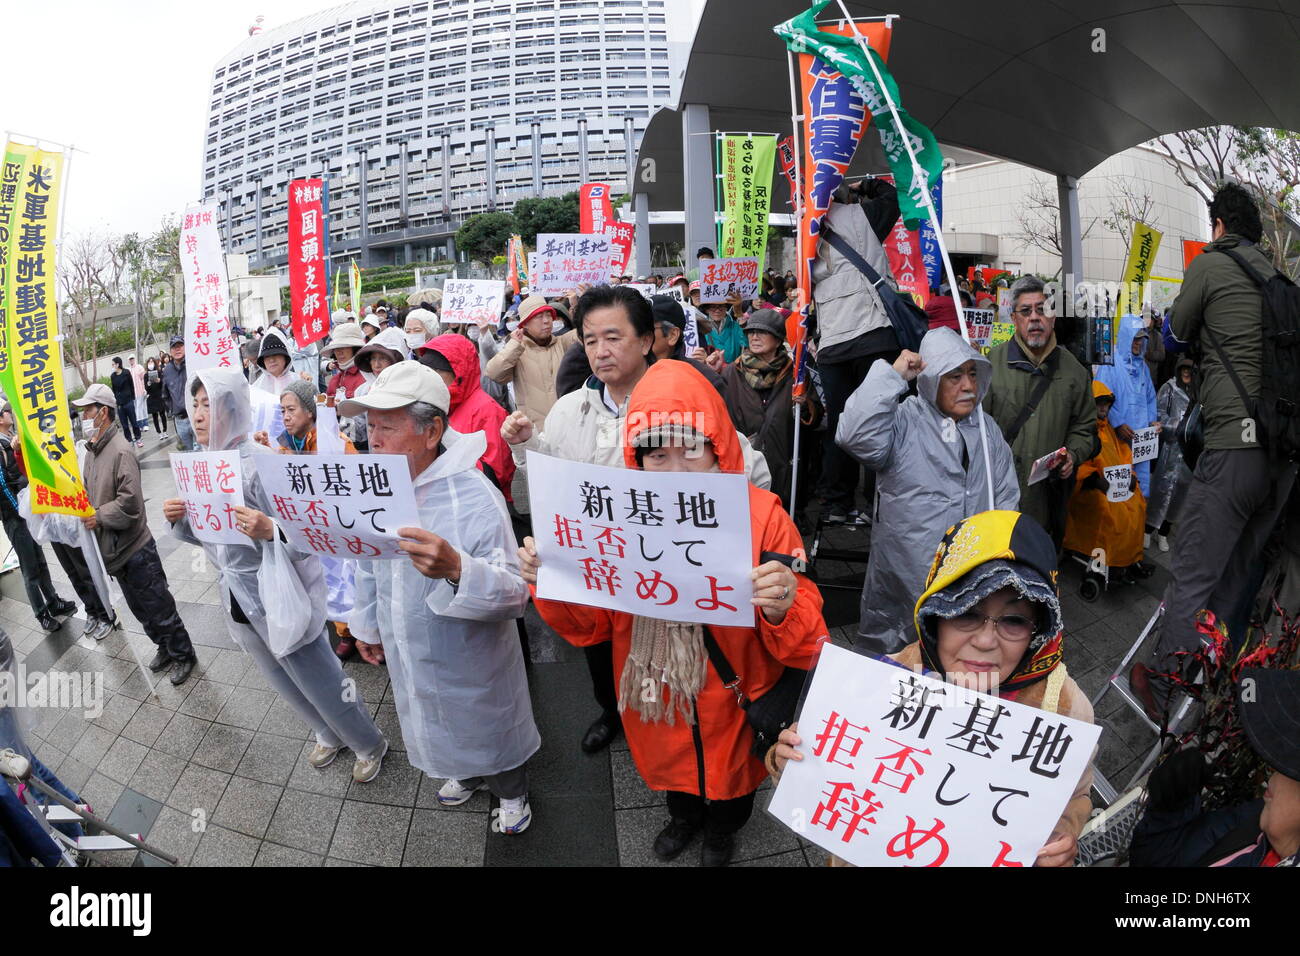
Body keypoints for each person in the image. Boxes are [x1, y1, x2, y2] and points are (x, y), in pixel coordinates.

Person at [521, 360, 828, 865]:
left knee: (732, 783)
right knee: (676, 774)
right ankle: (684, 817)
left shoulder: (763, 514)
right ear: (635, 459)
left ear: (719, 448)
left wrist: (783, 605)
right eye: (657, 455)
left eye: (692, 450)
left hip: (736, 689)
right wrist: (549, 583)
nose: (675, 470)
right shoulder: (617, 519)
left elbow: (806, 638)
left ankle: (723, 831)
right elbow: (592, 626)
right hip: (656, 687)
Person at [502, 285, 772, 755]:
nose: (600, 351)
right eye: (589, 340)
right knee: (601, 652)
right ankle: (614, 713)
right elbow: (557, 482)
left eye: (613, 337)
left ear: (647, 340)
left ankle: (690, 743)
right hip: (603, 569)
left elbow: (749, 473)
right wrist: (527, 445)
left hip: (676, 568)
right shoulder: (570, 410)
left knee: (689, 670)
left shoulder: (684, 397)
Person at [770, 509, 1095, 867]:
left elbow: (1076, 797)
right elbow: (832, 793)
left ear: (1039, 631)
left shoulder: (1063, 708)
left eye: (1015, 620)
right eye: (966, 612)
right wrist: (793, 762)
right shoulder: (879, 682)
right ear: (933, 616)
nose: (986, 640)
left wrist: (1060, 839)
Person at [340, 362, 540, 834]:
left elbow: (515, 594)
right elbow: (368, 563)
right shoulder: (378, 488)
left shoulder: (473, 495)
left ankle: (512, 793)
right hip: (408, 642)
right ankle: (464, 773)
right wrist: (366, 626)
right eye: (369, 427)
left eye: (387, 427)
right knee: (432, 716)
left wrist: (457, 570)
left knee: (486, 723)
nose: (374, 440)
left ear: (431, 431)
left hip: (472, 656)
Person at [163, 367, 389, 782]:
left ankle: (367, 741)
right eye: (194, 404)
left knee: (320, 675)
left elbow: (309, 533)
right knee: (280, 678)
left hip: (282, 594)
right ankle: (326, 732)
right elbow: (215, 544)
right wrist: (179, 521)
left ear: (231, 409)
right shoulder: (200, 466)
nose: (196, 414)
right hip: (238, 600)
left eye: (207, 404)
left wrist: (273, 531)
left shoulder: (263, 462)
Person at [1134, 184, 1300, 716]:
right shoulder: (1280, 280)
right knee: (1236, 578)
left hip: (1232, 450)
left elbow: (1179, 329)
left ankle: (1163, 687)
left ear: (1220, 226)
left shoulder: (1213, 262)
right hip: (1281, 462)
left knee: (1192, 573)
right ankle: (1209, 685)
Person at [836, 328, 1020, 654]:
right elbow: (854, 435)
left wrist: (999, 557)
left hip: (970, 575)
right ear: (932, 379)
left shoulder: (986, 428)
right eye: (954, 376)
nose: (968, 385)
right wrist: (892, 377)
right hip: (903, 574)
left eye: (972, 373)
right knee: (892, 658)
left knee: (953, 659)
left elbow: (1006, 495)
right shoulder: (903, 420)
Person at [72, 384, 197, 684]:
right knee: (140, 610)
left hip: (135, 549)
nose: (84, 415)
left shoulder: (122, 450)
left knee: (158, 604)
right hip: (113, 551)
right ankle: (163, 647)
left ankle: (183, 653)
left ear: (103, 412)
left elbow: (130, 504)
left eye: (89, 409)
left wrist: (98, 516)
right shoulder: (91, 450)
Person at [1130, 667, 1299, 867]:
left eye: (1291, 768)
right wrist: (1170, 808)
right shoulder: (1256, 821)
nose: (1273, 778)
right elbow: (1163, 857)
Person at [983, 275, 1098, 549]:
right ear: (1014, 318)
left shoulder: (1075, 372)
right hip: (995, 500)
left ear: (1054, 317)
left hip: (1047, 504)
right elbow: (973, 429)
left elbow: (1085, 429)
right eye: (1026, 311)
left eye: (1042, 309)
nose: (1035, 318)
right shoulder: (990, 365)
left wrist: (1073, 454)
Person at [719, 308, 812, 511]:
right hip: (743, 459)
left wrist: (805, 405)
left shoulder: (796, 376)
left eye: (762, 332)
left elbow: (814, 419)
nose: (754, 336)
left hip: (782, 459)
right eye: (751, 332)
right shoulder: (731, 372)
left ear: (778, 340)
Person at [1062, 381, 1148, 582]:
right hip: (1090, 488)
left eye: (1107, 404)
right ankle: (1106, 565)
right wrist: (1096, 481)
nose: (1103, 408)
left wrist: (1131, 477)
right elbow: (1078, 463)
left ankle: (1128, 560)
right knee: (1112, 513)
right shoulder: (1084, 429)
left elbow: (1124, 456)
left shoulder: (1109, 428)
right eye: (1099, 403)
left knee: (1138, 504)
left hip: (1114, 486)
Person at [0, 406, 75, 632]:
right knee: (30, 569)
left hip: (26, 512)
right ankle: (41, 613)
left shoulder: (10, 440)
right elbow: (2, 486)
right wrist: (21, 512)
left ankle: (53, 602)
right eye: (5, 411)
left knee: (40, 560)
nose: (10, 413)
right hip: (15, 518)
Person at [419, 333, 515, 498]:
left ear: (458, 372)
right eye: (426, 373)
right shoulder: (434, 405)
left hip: (479, 506)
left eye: (437, 372)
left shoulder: (488, 410)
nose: (430, 379)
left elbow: (496, 473)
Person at [483, 294, 578, 429]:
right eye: (539, 317)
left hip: (568, 427)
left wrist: (576, 306)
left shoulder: (563, 342)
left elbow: (586, 332)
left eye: (549, 315)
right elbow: (493, 373)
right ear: (525, 324)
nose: (546, 321)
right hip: (534, 433)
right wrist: (514, 344)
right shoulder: (517, 351)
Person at [1095, 314, 1158, 493]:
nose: (1138, 343)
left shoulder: (1143, 367)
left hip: (1141, 441)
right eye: (1134, 339)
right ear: (1125, 337)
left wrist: (1153, 421)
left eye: (1141, 339)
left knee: (1140, 485)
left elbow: (1150, 398)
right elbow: (1101, 397)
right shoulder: (1109, 365)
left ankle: (1138, 520)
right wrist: (1118, 423)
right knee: (1120, 487)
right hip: (1118, 438)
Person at [1146, 357, 1195, 551]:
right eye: (1183, 369)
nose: (1186, 373)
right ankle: (1148, 530)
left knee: (1179, 495)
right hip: (1171, 447)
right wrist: (1176, 426)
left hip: (1189, 452)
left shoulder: (1198, 392)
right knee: (1161, 490)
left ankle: (1164, 532)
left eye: (1190, 370)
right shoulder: (1170, 388)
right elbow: (1158, 413)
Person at [162, 335, 197, 452]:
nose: (177, 349)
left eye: (180, 346)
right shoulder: (167, 370)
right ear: (170, 351)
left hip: (196, 417)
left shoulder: (194, 364)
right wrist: (173, 409)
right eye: (174, 347)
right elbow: (165, 395)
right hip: (180, 421)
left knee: (202, 453)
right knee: (187, 455)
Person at [251, 329, 301, 396]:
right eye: (267, 356)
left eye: (275, 354)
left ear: (285, 357)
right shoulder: (257, 388)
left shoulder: (299, 382)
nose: (271, 360)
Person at [109, 358, 143, 448]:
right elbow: (114, 390)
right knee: (124, 425)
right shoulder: (112, 376)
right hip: (120, 404)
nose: (112, 366)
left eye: (113, 364)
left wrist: (132, 398)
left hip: (128, 401)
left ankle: (138, 438)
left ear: (118, 364)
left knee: (134, 422)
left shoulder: (126, 372)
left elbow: (131, 385)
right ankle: (129, 440)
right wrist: (116, 401)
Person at [145, 356, 168, 440]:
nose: (150, 364)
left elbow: (163, 384)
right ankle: (159, 432)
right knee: (155, 416)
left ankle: (165, 431)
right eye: (149, 362)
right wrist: (148, 384)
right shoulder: (146, 375)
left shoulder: (159, 372)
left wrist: (160, 381)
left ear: (155, 363)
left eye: (152, 362)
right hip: (151, 397)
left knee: (162, 414)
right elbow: (146, 389)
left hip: (159, 396)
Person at [127, 356, 148, 436]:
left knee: (142, 407)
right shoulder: (129, 370)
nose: (131, 360)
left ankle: (145, 424)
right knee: (136, 409)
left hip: (141, 391)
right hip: (133, 393)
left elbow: (144, 379)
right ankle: (140, 425)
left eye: (132, 359)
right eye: (130, 359)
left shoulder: (139, 367)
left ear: (134, 359)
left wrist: (144, 389)